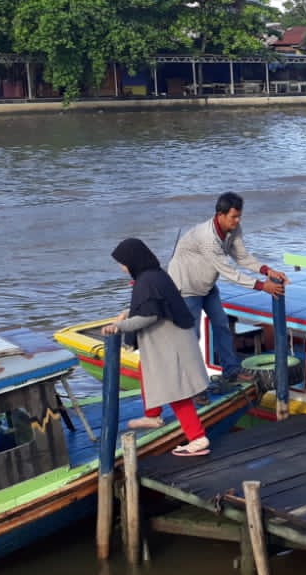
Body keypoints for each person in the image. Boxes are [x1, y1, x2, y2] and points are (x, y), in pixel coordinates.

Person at [106, 238, 214, 457]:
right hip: (168, 341)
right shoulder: (154, 275)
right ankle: (153, 415)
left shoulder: (147, 281)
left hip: (170, 344)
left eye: (123, 262)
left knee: (176, 391)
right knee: (146, 370)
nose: (121, 267)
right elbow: (149, 304)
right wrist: (129, 313)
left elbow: (149, 316)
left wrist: (119, 326)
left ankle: (198, 438)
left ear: (133, 260)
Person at [166, 192, 287, 382]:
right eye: (234, 217)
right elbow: (229, 272)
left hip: (206, 284)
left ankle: (231, 371)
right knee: (191, 336)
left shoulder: (233, 229)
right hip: (186, 288)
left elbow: (242, 257)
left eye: (239, 216)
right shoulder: (207, 237)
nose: (237, 221)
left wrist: (267, 270)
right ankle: (190, 384)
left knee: (222, 325)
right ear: (220, 215)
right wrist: (263, 286)